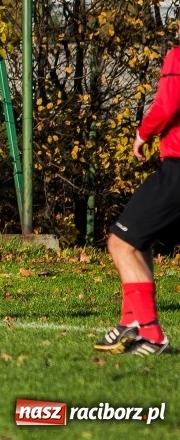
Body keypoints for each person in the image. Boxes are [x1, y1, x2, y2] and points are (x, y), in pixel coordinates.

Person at [95, 21, 180, 356]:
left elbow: (169, 105)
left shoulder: (177, 56)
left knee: (120, 243)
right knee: (137, 240)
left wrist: (143, 133)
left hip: (177, 168)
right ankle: (131, 319)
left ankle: (152, 334)